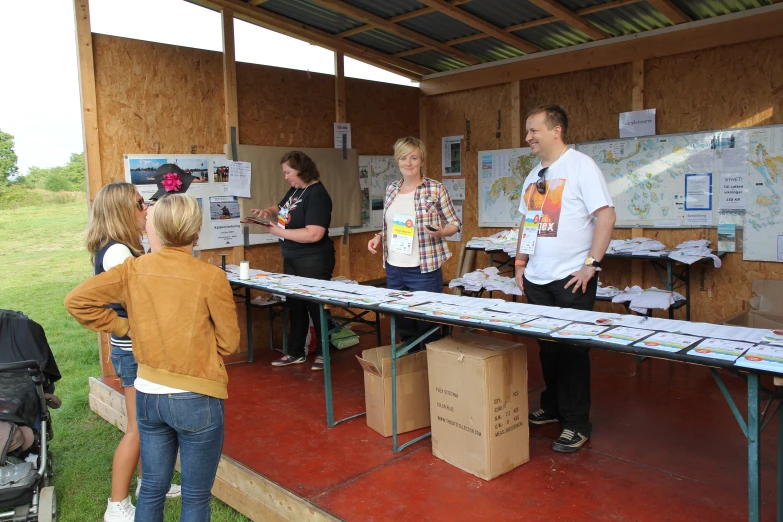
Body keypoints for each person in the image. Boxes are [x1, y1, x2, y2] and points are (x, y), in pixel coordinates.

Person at [66, 193, 240, 522]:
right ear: (196, 232)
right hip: (197, 395)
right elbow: (229, 342)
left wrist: (123, 326)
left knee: (151, 489)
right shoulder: (210, 277)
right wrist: (126, 325)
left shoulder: (134, 269)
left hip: (147, 392)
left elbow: (77, 301)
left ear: (154, 229)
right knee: (195, 498)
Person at [513, 105, 615, 453]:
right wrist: (520, 263)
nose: (528, 137)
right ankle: (553, 406)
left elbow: (606, 215)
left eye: (533, 131)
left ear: (556, 131)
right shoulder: (533, 175)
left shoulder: (581, 166)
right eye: (527, 132)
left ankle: (576, 422)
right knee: (548, 348)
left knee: (573, 350)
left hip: (572, 278)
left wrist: (591, 264)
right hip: (537, 278)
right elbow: (526, 223)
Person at [84, 182, 180, 522]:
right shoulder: (117, 253)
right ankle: (117, 505)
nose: (146, 209)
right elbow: (139, 299)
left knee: (148, 422)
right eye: (141, 204)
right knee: (138, 428)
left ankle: (151, 482)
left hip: (134, 346)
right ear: (124, 210)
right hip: (132, 348)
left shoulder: (121, 248)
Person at [367, 137, 461, 344]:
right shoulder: (391, 189)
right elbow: (391, 224)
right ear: (397, 161)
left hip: (423, 269)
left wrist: (441, 232)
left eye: (413, 157)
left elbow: (455, 223)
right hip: (394, 268)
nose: (408, 163)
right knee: (403, 324)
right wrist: (379, 236)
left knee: (428, 323)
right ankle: (412, 365)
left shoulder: (435, 189)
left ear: (421, 160)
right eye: (403, 158)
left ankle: (432, 367)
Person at [249, 151, 335, 370]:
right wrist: (266, 212)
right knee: (295, 305)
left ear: (301, 170)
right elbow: (281, 208)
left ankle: (325, 353)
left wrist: (278, 232)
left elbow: (314, 234)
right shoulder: (297, 190)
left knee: (316, 307)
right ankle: (296, 352)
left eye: (288, 172)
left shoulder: (317, 194)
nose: (286, 176)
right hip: (293, 257)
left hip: (314, 259)